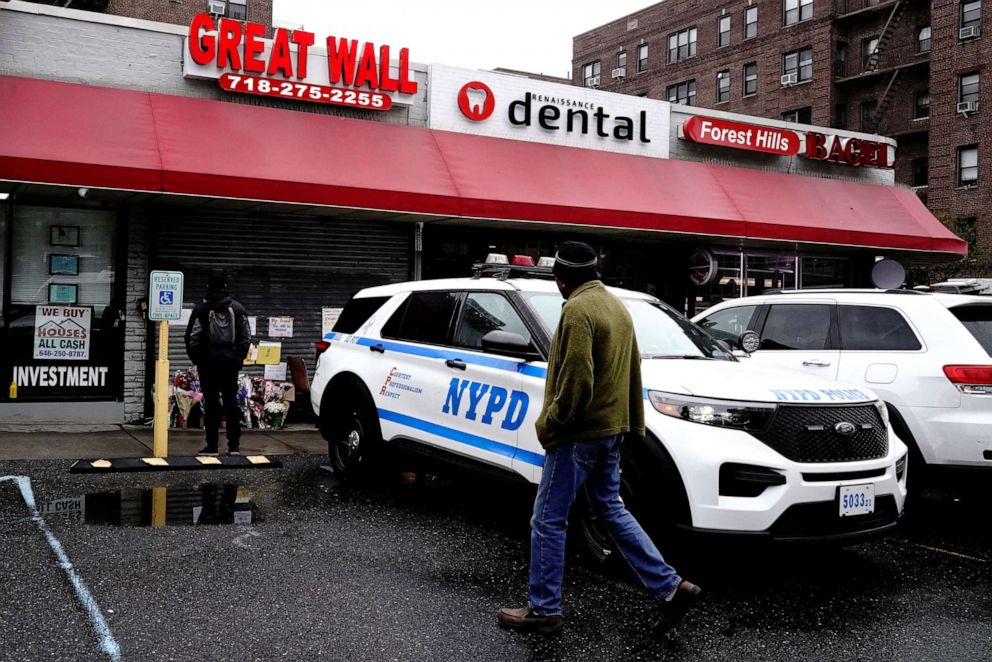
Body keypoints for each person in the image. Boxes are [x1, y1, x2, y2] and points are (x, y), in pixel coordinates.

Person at [498, 241, 701, 635]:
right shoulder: (616, 306)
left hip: (578, 434)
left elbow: (576, 380)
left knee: (548, 519)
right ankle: (672, 587)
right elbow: (631, 370)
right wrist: (627, 424)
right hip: (611, 430)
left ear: (562, 279)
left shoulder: (577, 310)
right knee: (611, 510)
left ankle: (544, 609)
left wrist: (552, 423)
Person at [184, 270, 252, 456]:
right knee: (231, 404)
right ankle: (234, 447)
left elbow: (192, 338)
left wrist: (198, 360)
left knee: (211, 404)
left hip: (208, 365)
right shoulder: (237, 309)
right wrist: (238, 358)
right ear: (225, 287)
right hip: (230, 364)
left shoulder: (201, 310)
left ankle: (212, 446)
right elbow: (246, 337)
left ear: (208, 287)